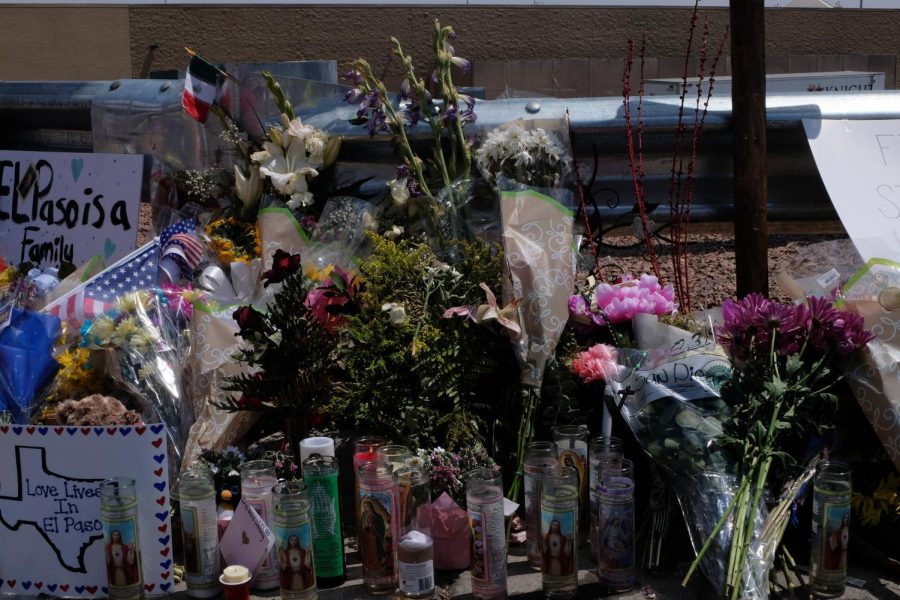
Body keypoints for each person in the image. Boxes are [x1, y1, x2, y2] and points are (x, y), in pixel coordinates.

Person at [359, 498, 392, 577]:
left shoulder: (377, 516)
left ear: (371, 507)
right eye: (364, 507)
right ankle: (370, 565)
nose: (366, 508)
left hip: (375, 536)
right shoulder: (364, 515)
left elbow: (380, 526)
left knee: (376, 549)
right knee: (369, 551)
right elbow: (362, 524)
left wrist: (374, 527)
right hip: (367, 536)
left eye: (367, 506)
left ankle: (378, 564)